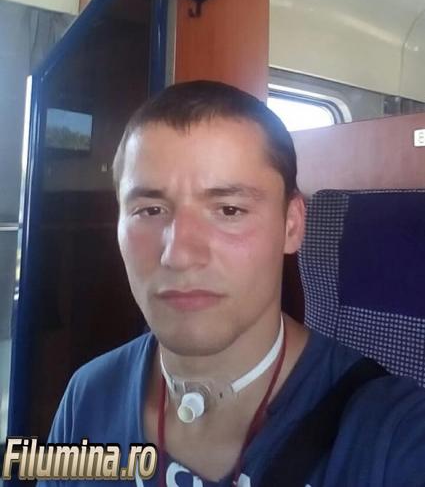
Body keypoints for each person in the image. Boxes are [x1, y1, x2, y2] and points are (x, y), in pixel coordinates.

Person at [41, 81, 425, 486]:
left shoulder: (395, 438)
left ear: (291, 225)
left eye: (229, 210)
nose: (179, 255)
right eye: (150, 210)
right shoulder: (89, 394)